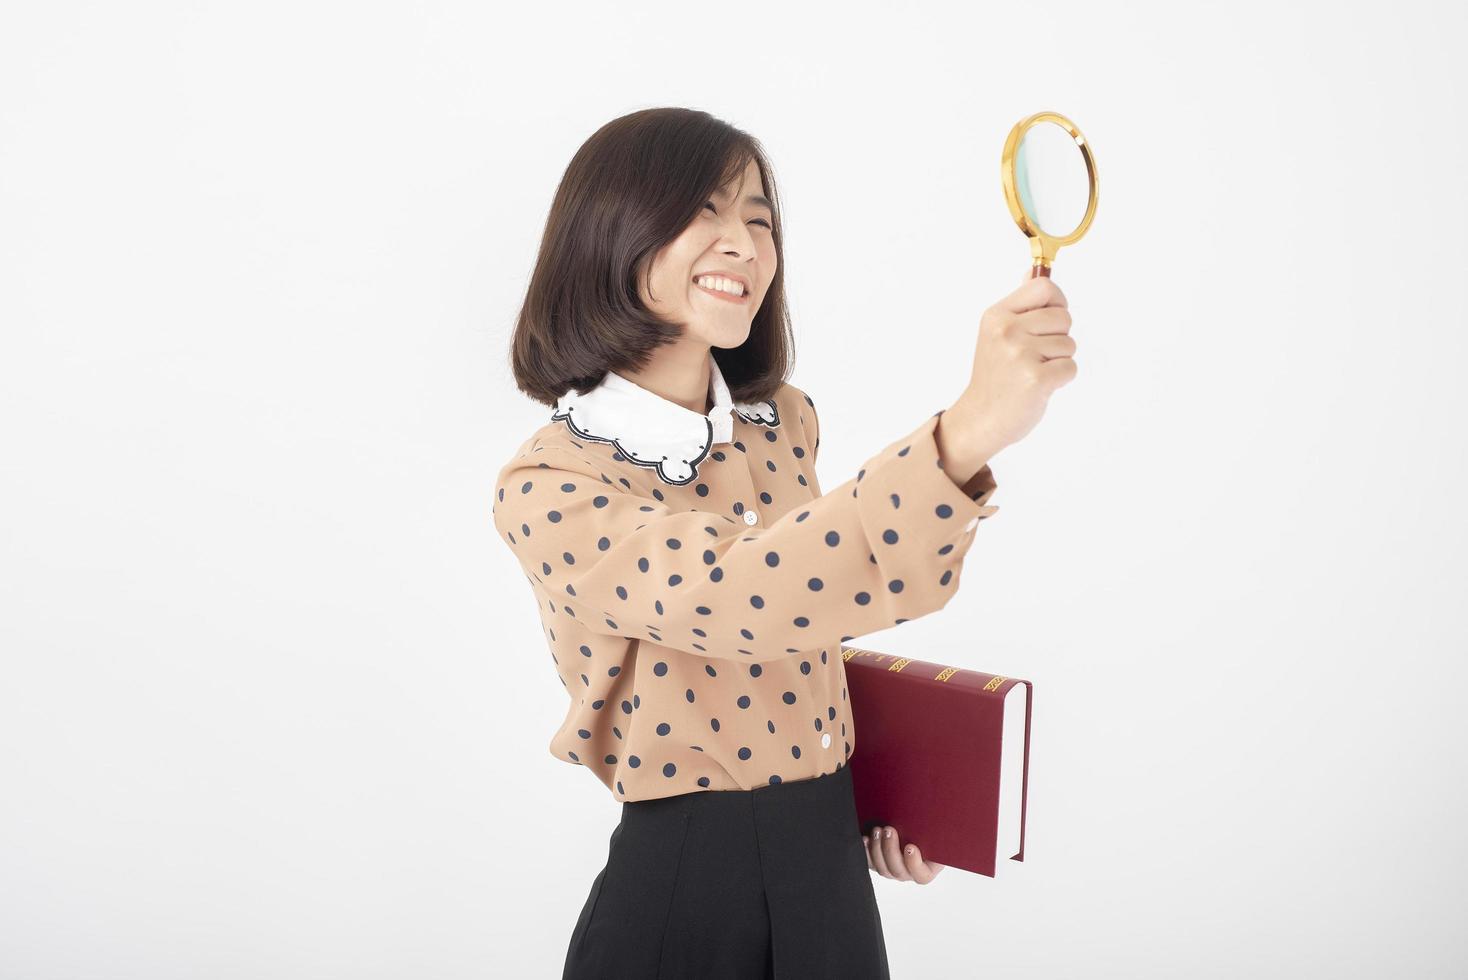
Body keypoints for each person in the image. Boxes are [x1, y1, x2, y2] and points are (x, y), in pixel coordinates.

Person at [492, 107, 1076, 979]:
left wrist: (871, 797)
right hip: (683, 889)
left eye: (760, 221)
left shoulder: (782, 422)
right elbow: (735, 598)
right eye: (707, 212)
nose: (745, 244)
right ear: (611, 232)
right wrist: (964, 436)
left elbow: (818, 616)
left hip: (831, 871)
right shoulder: (550, 483)